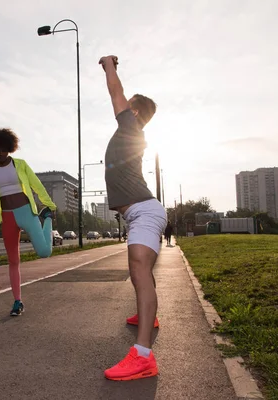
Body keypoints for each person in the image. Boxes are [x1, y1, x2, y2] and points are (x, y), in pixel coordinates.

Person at [99, 55, 167, 381]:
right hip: (140, 210)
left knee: (139, 271)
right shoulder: (132, 132)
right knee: (142, 272)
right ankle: (148, 317)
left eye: (128, 104)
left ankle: (142, 357)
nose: (122, 105)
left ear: (134, 111)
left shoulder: (129, 125)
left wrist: (108, 65)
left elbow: (115, 93)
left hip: (143, 210)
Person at [0, 128, 56, 316]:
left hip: (26, 212)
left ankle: (47, 220)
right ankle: (17, 301)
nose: (1, 153)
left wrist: (49, 205)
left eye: (5, 149)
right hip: (6, 216)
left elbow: (36, 184)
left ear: (10, 149)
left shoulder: (20, 165)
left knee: (44, 252)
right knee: (13, 261)